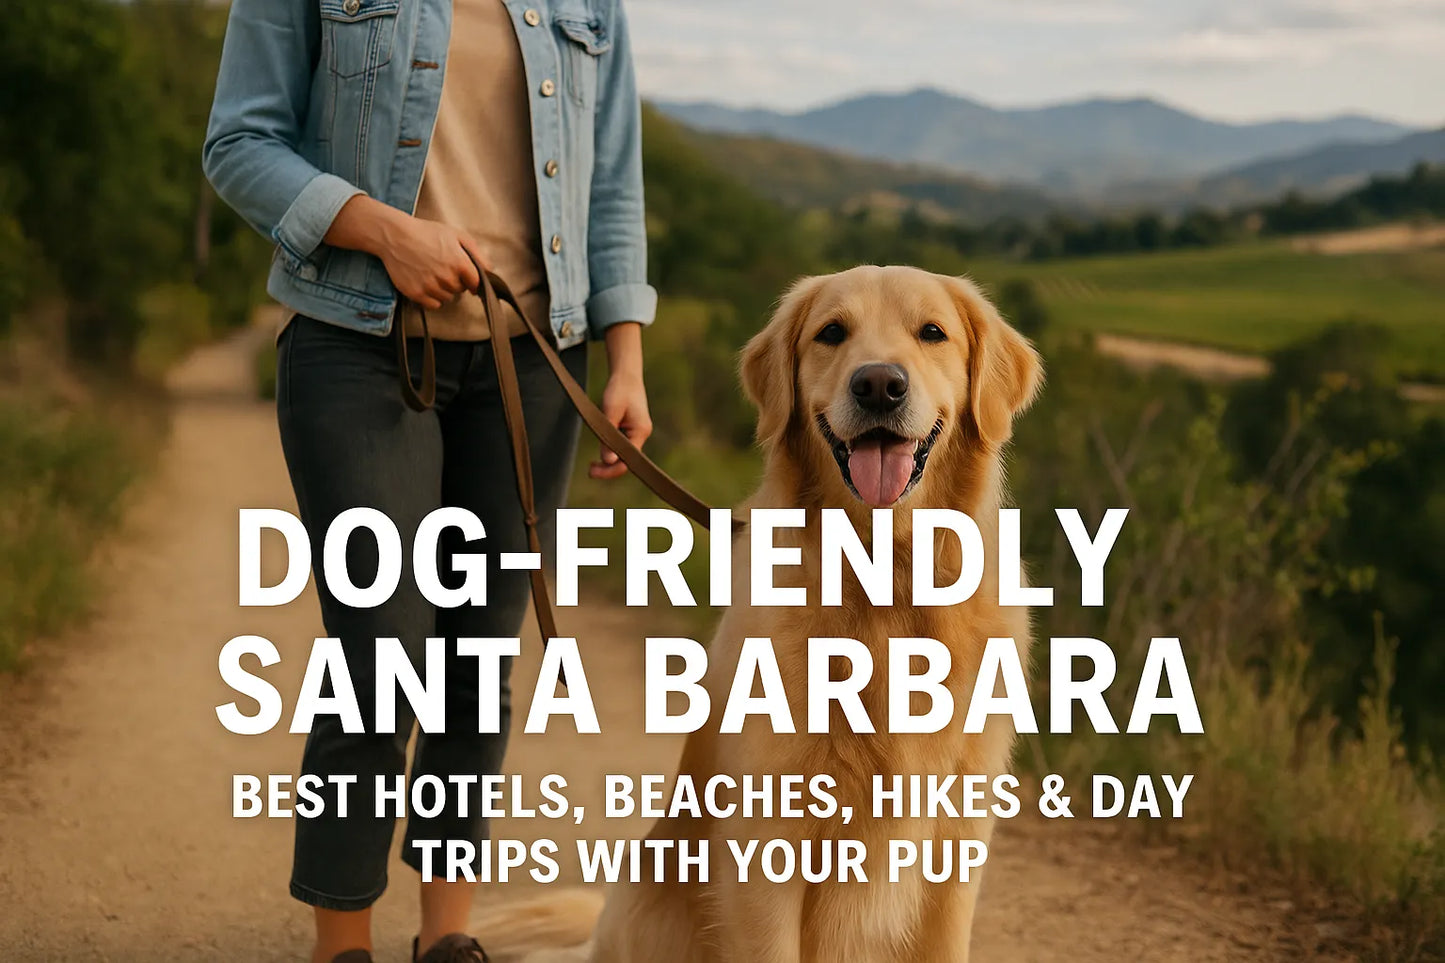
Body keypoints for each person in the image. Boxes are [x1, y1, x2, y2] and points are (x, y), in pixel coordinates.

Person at [203, 1, 655, 960]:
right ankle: (342, 941)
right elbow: (240, 142)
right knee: (380, 653)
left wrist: (625, 360)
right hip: (358, 346)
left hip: (533, 358)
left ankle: (447, 939)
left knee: (474, 662)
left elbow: (610, 183)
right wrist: (380, 230)